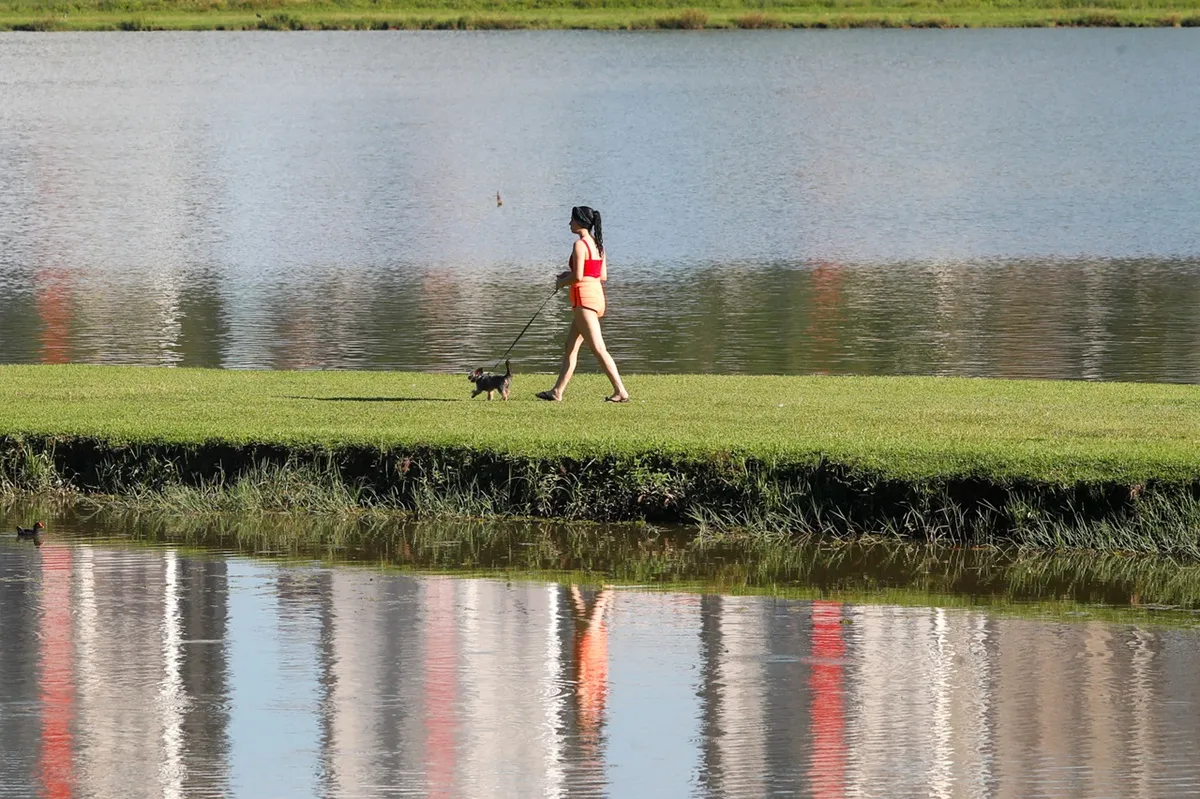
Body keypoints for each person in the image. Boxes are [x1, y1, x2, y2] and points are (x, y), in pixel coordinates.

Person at [536, 206, 631, 403]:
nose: (569, 223)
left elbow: (578, 276)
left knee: (598, 348)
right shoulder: (598, 245)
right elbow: (600, 275)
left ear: (579, 221)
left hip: (584, 300)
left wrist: (562, 281)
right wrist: (567, 276)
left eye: (571, 220)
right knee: (570, 346)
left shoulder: (580, 245)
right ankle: (557, 391)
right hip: (597, 297)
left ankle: (621, 391)